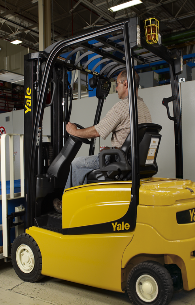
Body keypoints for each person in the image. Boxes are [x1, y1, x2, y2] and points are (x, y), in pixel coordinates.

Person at [53, 69, 152, 212]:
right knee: (87, 165)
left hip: (120, 161)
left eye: (117, 84)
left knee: (76, 164)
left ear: (125, 84)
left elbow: (97, 131)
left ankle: (67, 207)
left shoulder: (123, 106)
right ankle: (84, 203)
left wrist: (74, 132)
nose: (116, 88)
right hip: (132, 160)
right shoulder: (143, 107)